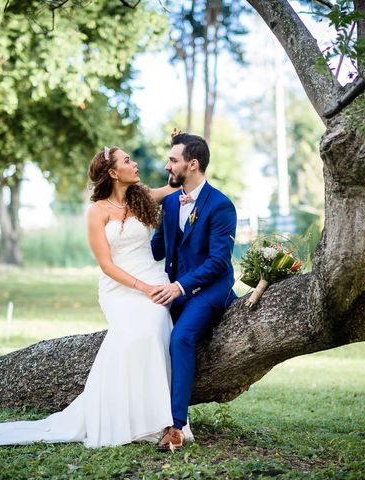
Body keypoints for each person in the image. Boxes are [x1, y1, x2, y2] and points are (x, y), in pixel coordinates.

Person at [0, 146, 194, 449]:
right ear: (112, 172)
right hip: (120, 288)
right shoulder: (96, 212)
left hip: (152, 277)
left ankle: (161, 420)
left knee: (153, 326)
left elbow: (173, 185)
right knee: (134, 334)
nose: (134, 164)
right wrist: (142, 289)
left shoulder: (141, 196)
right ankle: (124, 417)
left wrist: (178, 151)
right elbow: (107, 266)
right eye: (127, 161)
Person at [150, 132, 237, 451]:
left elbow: (217, 262)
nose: (166, 166)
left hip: (209, 291)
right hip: (176, 290)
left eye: (173, 160)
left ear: (193, 164)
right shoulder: (171, 203)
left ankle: (176, 426)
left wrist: (178, 286)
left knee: (182, 337)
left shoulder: (221, 206)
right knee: (148, 330)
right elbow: (157, 250)